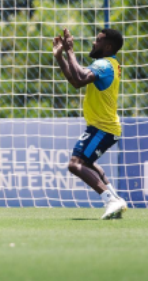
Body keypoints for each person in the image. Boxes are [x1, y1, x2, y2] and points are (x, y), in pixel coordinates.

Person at [53, 27, 128, 220]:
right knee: (88, 164)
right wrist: (60, 58)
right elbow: (76, 82)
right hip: (103, 126)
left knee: (75, 164)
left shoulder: (104, 65)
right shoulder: (106, 64)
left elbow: (79, 77)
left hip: (103, 127)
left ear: (108, 46)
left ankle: (111, 200)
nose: (94, 43)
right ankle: (116, 200)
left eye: (99, 40)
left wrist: (70, 50)